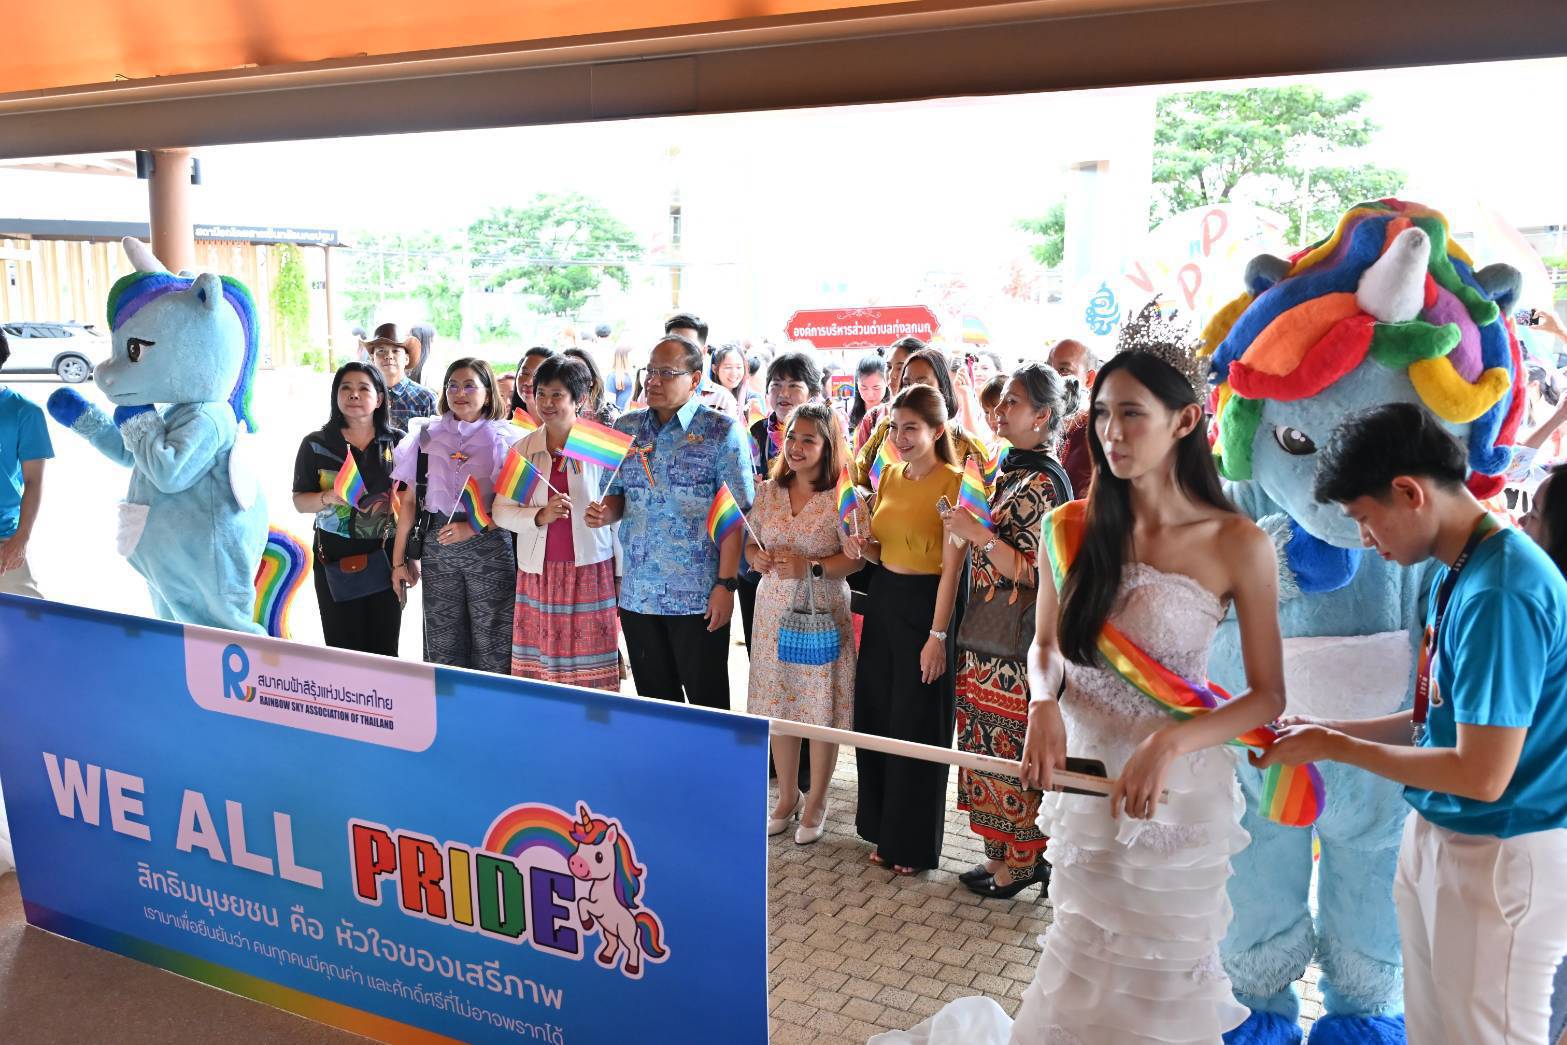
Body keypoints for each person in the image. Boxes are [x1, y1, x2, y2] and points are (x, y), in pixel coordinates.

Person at [1258, 402, 1567, 1045]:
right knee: (1432, 1029)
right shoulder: (1466, 568)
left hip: (1500, 851)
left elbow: (1481, 773)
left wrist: (1334, 744)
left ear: (1408, 492)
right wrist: (1329, 729)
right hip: (1446, 833)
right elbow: (1434, 721)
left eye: (1365, 520)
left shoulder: (1501, 589)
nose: (1366, 541)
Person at [942, 363, 1077, 899]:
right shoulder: (1011, 469)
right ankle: (998, 857)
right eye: (1001, 402)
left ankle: (1022, 864)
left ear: (1042, 416)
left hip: (1017, 648)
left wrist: (978, 536)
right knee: (984, 747)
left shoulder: (1045, 482)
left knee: (1009, 753)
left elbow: (1041, 573)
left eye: (1013, 402)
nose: (1000, 410)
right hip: (986, 636)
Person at [585, 334, 754, 710]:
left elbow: (736, 517)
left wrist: (726, 585)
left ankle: (707, 754)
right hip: (639, 594)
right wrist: (605, 513)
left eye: (666, 373)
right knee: (655, 705)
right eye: (650, 371)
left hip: (698, 597)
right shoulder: (627, 428)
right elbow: (616, 495)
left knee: (707, 704)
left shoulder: (721, 431)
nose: (653, 381)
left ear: (694, 379)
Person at [843, 384, 967, 877]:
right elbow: (884, 549)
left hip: (928, 607)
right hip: (884, 603)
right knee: (877, 716)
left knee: (916, 725)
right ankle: (881, 829)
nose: (900, 437)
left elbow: (952, 572)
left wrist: (938, 637)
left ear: (937, 430)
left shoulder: (956, 483)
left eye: (911, 428)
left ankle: (911, 843)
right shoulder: (890, 475)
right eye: (895, 428)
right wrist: (862, 547)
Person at [746, 402, 863, 844]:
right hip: (771, 612)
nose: (795, 447)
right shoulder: (768, 491)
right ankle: (786, 795)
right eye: (791, 437)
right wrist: (755, 558)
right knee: (778, 705)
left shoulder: (843, 496)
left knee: (818, 708)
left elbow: (857, 560)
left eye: (808, 440)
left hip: (821, 613)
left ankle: (817, 799)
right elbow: (751, 542)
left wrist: (811, 567)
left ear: (828, 445)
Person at [492, 355, 621, 691]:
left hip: (592, 570)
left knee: (591, 669)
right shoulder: (524, 450)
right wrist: (539, 515)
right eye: (541, 394)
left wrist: (621, 573)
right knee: (542, 670)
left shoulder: (599, 447)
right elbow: (501, 512)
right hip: (539, 573)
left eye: (557, 395)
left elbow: (620, 516)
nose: (547, 403)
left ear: (580, 399)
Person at [390, 358, 517, 673]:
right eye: (453, 385)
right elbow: (409, 502)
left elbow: (516, 504)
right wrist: (398, 561)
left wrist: (473, 528)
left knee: (494, 641)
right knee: (442, 642)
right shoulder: (426, 435)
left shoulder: (507, 439)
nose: (460, 393)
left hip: (490, 548)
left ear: (488, 393)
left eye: (470, 385)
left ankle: (492, 702)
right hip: (438, 547)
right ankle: (448, 703)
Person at [291, 362, 405, 656]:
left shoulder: (398, 443)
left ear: (379, 399)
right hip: (333, 557)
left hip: (386, 556)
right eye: (346, 388)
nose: (354, 394)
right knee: (342, 650)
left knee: (385, 649)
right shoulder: (316, 444)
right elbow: (300, 502)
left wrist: (406, 560)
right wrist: (328, 496)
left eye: (364, 388)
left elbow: (409, 504)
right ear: (336, 395)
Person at [742, 351, 823, 649]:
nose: (783, 393)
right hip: (762, 559)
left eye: (793, 385)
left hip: (811, 571)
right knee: (761, 646)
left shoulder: (829, 435)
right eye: (776, 385)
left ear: (812, 393)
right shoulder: (754, 433)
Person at [853, 346, 988, 492]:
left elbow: (981, 498)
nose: (912, 391)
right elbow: (857, 482)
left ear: (942, 387)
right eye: (906, 384)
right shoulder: (885, 429)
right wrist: (874, 499)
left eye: (921, 384)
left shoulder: (965, 444)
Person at [0, 330, 51, 599]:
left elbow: (34, 481)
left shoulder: (25, 412)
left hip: (4, 537)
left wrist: (21, 538)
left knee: (26, 614)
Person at [664, 312, 741, 421]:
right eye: (673, 346)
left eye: (689, 347)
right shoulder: (653, 392)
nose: (679, 353)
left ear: (704, 351)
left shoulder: (722, 400)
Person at [365, 322, 437, 433]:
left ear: (406, 359)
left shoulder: (427, 398)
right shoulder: (364, 395)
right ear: (372, 359)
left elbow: (439, 438)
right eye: (381, 351)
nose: (389, 356)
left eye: (396, 351)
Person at [1048, 337, 1097, 495]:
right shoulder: (1041, 425)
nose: (1051, 379)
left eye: (1063, 370)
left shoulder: (1097, 429)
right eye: (1048, 370)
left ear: (1089, 379)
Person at [855, 336, 921, 451]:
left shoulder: (933, 419)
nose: (891, 375)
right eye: (889, 367)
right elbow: (859, 461)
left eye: (900, 368)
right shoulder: (872, 418)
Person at [562, 346, 619, 425]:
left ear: (592, 380)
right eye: (565, 371)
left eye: (579, 370)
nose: (571, 376)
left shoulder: (608, 417)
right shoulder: (550, 411)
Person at [711, 342, 764, 422]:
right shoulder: (706, 397)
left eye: (739, 367)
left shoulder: (753, 399)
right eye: (728, 367)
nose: (734, 373)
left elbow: (759, 428)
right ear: (715, 369)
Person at [848, 351, 889, 449]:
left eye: (876, 388)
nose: (870, 394)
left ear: (887, 383)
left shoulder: (890, 413)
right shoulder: (850, 413)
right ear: (857, 384)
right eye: (863, 387)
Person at [508, 346, 554, 422]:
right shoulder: (506, 426)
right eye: (525, 373)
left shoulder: (569, 426)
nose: (528, 382)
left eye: (538, 375)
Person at [609, 344, 636, 413]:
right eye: (632, 354)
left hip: (633, 413)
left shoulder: (633, 374)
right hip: (620, 414)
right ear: (625, 356)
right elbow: (609, 403)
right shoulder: (613, 376)